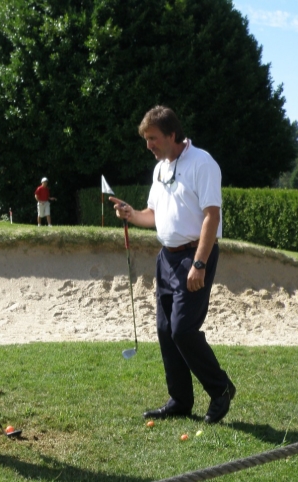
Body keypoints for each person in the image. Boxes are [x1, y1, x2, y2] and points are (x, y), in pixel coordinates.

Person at [109, 105, 235, 424]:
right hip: (166, 257)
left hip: (194, 257)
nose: (148, 145)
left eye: (153, 138)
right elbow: (152, 215)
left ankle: (220, 389)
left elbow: (212, 216)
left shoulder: (202, 163)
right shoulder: (161, 168)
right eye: (146, 139)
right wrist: (130, 213)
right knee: (166, 330)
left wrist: (200, 263)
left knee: (182, 329)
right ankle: (180, 399)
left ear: (172, 135)